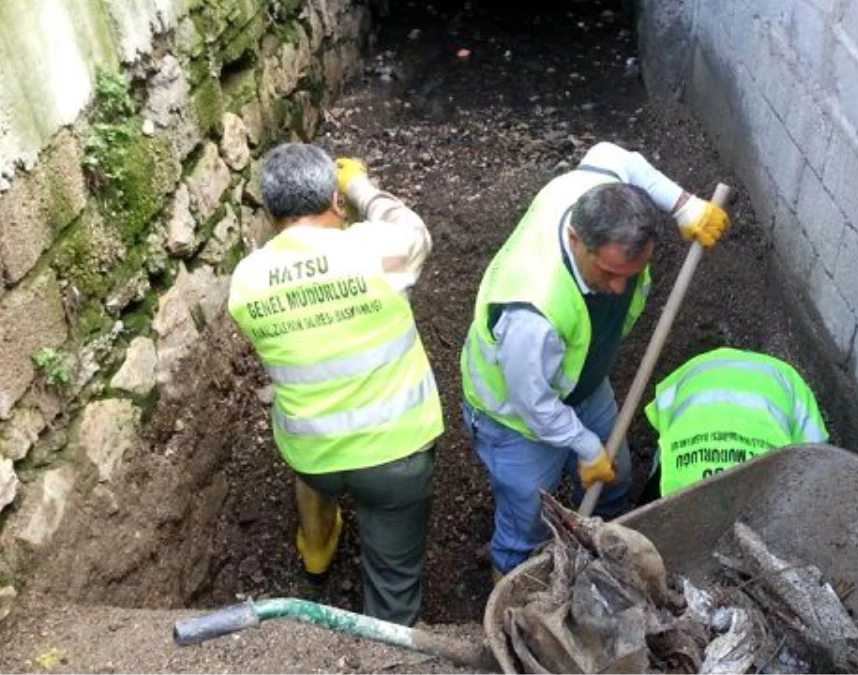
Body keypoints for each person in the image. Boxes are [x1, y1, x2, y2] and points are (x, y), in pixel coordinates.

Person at [460, 141, 730, 576]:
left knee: (616, 477)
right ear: (575, 239)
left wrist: (684, 207)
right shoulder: (534, 311)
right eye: (609, 274)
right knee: (528, 519)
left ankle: (608, 549)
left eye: (633, 273)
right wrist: (585, 447)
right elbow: (533, 402)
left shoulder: (593, 188)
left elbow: (616, 155)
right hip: (514, 417)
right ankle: (511, 588)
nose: (621, 289)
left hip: (580, 382)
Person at [227, 143, 442, 626]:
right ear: (336, 202)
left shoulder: (247, 280)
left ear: (270, 211)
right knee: (394, 578)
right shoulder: (374, 249)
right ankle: (387, 644)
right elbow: (414, 231)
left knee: (317, 468)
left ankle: (317, 551)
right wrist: (359, 184)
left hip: (313, 455)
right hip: (395, 457)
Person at [639, 347, 829, 503]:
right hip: (700, 377)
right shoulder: (674, 485)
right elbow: (814, 459)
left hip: (700, 373)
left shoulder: (789, 384)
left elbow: (813, 462)